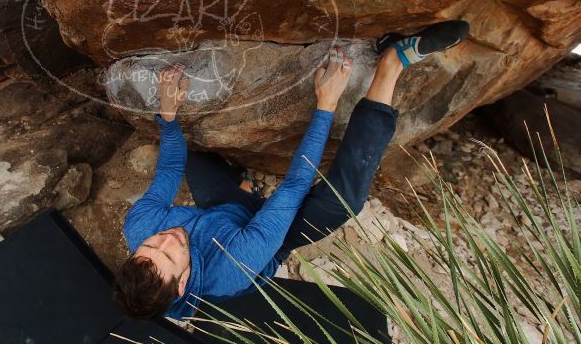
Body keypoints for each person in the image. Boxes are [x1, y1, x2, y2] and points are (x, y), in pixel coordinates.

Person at [113, 20, 470, 319]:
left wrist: (168, 116)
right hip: (271, 239)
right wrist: (326, 105)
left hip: (222, 213)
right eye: (170, 254)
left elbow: (170, 168)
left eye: (151, 244)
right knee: (345, 199)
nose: (168, 237)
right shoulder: (232, 269)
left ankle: (243, 190)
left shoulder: (140, 226)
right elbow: (295, 185)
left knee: (193, 157)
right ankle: (393, 61)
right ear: (182, 282)